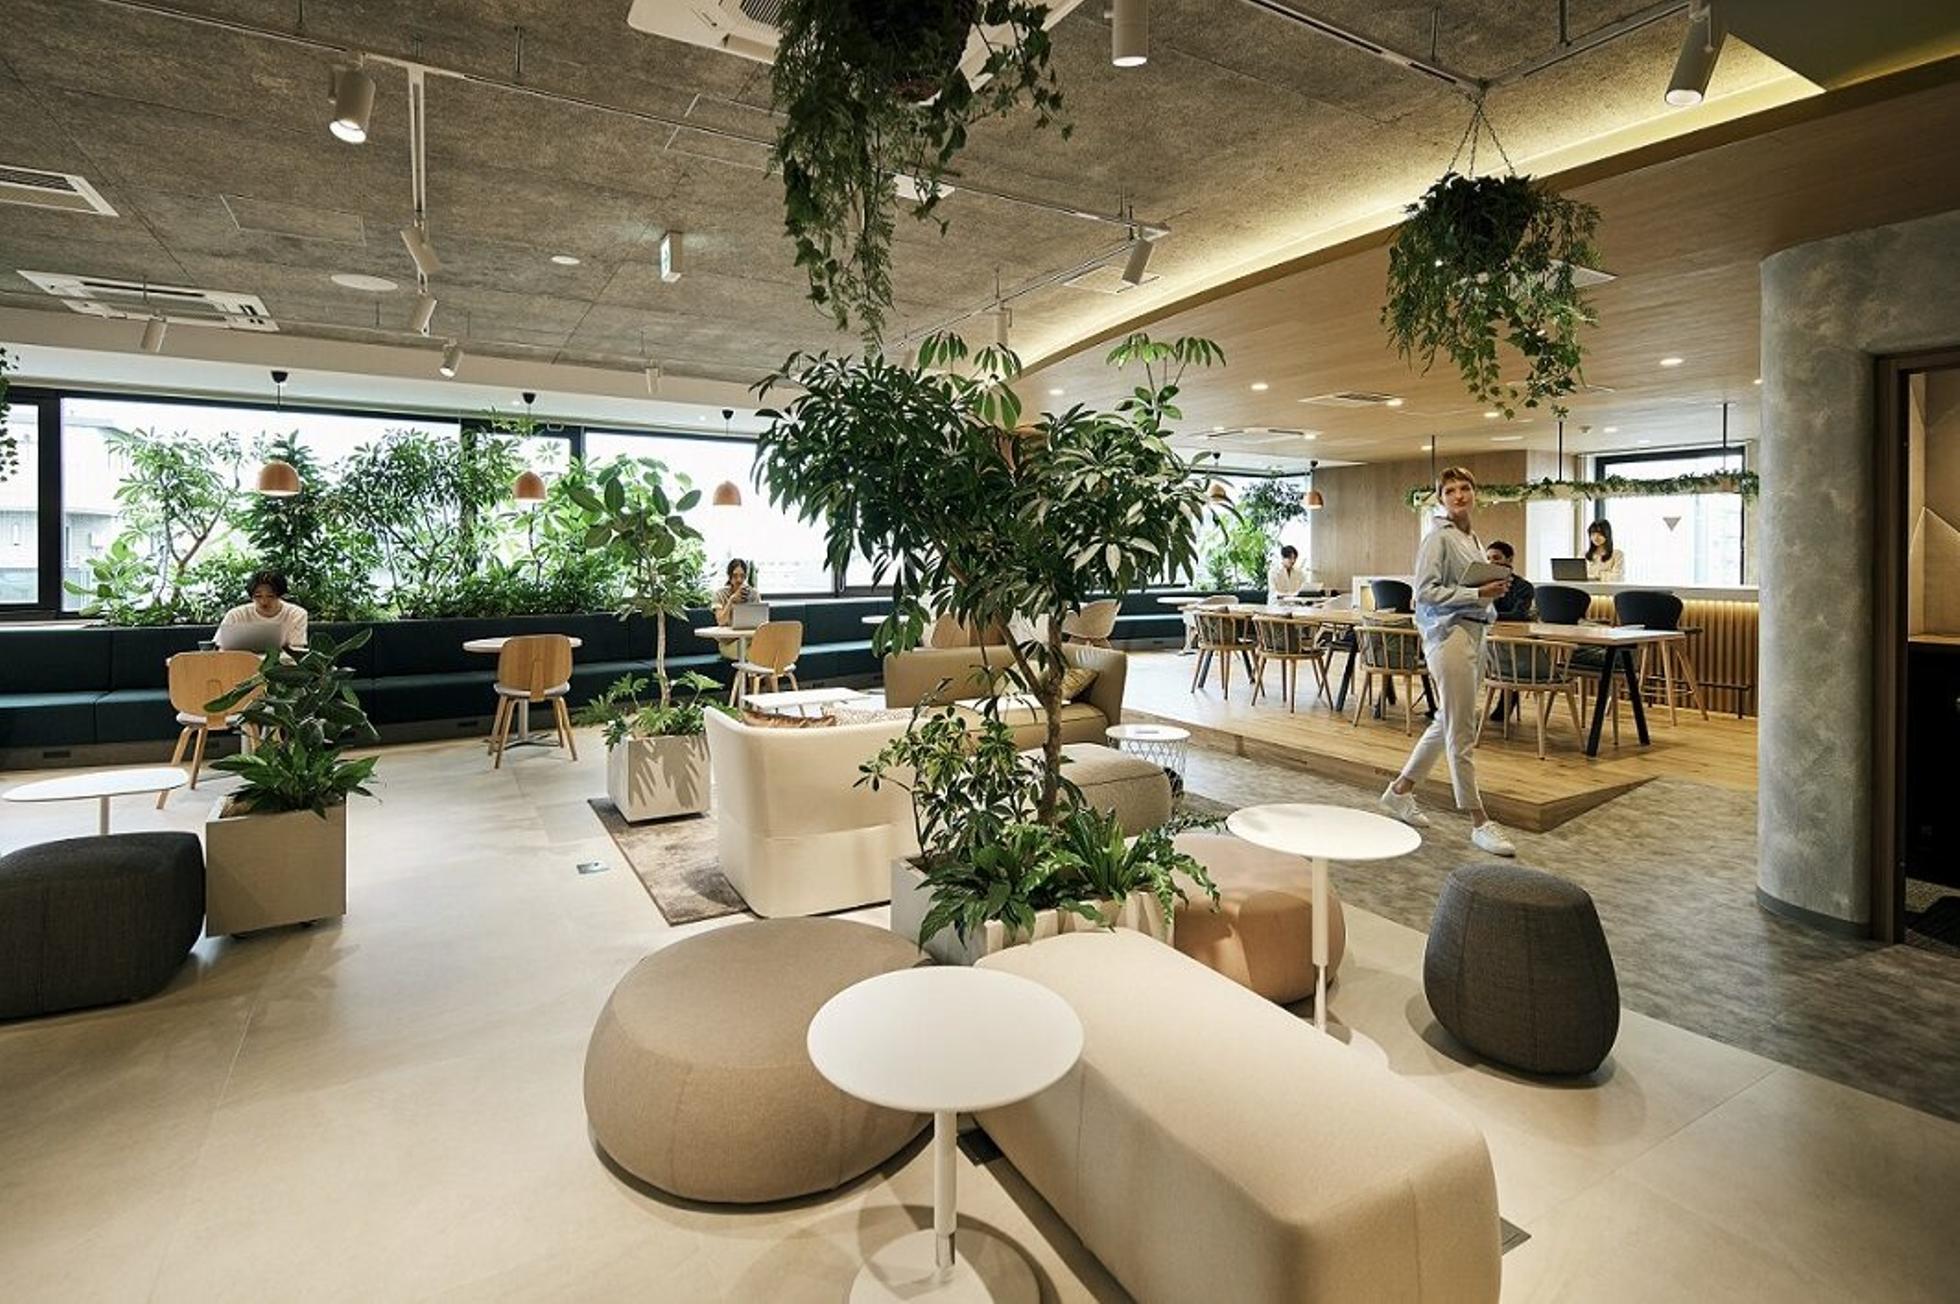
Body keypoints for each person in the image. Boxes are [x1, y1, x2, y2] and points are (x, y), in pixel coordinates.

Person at [1379, 467, 1517, 856]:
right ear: (1440, 498)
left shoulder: (1472, 538)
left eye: (1465, 488)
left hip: (1475, 632)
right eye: (1451, 490)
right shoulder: (1437, 538)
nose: (1459, 495)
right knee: (1462, 731)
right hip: (1450, 636)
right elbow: (1424, 593)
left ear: (1475, 493)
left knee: (1449, 720)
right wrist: (1477, 594)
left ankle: (1400, 791)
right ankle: (1478, 820)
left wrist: (1489, 592)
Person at [220, 568, 309, 651]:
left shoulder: (296, 614)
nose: (264, 602)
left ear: (280, 595)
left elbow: (297, 649)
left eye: (270, 596)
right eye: (258, 596)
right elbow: (221, 648)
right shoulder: (236, 615)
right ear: (251, 596)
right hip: (242, 660)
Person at [1486, 540, 1535, 621]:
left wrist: (1484, 616)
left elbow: (1518, 615)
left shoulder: (1524, 587)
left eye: (1496, 558)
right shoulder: (1482, 584)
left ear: (1509, 560)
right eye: (1488, 559)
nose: (1490, 562)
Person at [711, 558, 757, 626]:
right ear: (729, 577)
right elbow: (721, 621)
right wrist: (731, 600)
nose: (739, 580)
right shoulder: (719, 594)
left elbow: (758, 622)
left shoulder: (754, 594)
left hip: (748, 632)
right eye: (735, 576)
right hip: (726, 632)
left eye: (742, 576)